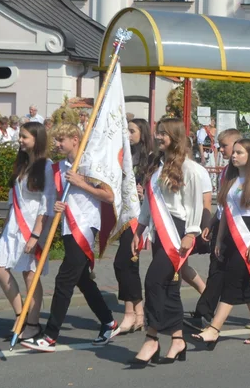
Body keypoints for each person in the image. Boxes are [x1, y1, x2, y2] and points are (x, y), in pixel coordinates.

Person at [20, 124, 119, 352]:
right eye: (56, 140)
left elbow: (109, 195)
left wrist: (81, 183)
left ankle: (51, 335)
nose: (57, 144)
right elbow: (57, 198)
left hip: (85, 226)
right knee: (82, 280)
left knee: (64, 280)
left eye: (61, 140)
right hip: (67, 226)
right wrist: (57, 206)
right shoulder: (60, 167)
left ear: (75, 139)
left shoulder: (91, 162)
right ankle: (108, 321)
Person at [126, 118, 211, 365]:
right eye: (157, 133)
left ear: (175, 137)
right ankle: (177, 339)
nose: (159, 137)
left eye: (163, 133)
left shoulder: (192, 169)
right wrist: (139, 229)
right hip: (159, 230)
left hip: (179, 230)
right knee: (170, 287)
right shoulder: (158, 165)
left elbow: (197, 204)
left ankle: (151, 338)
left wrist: (191, 233)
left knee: (153, 281)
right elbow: (148, 204)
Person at [192, 138, 250, 349]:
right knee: (247, 280)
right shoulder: (230, 178)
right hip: (231, 231)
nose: (234, 155)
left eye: (239, 153)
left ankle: (214, 329)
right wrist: (219, 239)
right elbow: (226, 212)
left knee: (233, 278)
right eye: (234, 152)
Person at [0, 121, 55, 340]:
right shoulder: (21, 163)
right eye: (20, 136)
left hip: (33, 227)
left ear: (37, 139)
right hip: (14, 226)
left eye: (24, 137)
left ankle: (33, 324)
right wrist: (6, 224)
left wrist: (36, 235)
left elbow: (47, 203)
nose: (20, 140)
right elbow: (13, 197)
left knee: (30, 275)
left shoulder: (47, 166)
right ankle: (20, 313)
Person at [112, 118, 152, 336]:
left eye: (132, 131)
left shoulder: (150, 159)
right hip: (125, 213)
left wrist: (144, 193)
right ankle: (138, 312)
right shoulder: (127, 156)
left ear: (142, 133)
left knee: (123, 262)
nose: (127, 134)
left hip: (141, 216)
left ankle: (130, 313)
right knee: (127, 265)